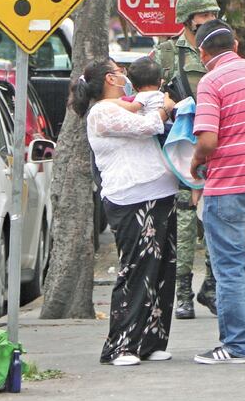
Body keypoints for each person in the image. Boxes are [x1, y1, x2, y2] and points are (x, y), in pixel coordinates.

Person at [71, 59, 178, 367]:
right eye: (120, 71)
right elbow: (146, 126)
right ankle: (121, 345)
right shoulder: (101, 112)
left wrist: (158, 101)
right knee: (136, 269)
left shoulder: (126, 103)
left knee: (162, 270)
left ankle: (151, 340)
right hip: (130, 198)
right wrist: (163, 109)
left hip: (161, 192)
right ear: (110, 78)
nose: (126, 75)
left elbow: (145, 104)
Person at [189, 19, 245, 364]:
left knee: (228, 268)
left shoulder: (211, 82)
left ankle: (236, 346)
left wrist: (196, 160)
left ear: (202, 52)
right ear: (236, 45)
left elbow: (208, 140)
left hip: (229, 185)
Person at [153, 0, 220, 320]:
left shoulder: (220, 45)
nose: (209, 20)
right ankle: (182, 292)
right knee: (183, 218)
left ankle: (211, 286)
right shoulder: (167, 53)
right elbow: (147, 92)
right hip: (181, 144)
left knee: (216, 217)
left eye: (212, 15)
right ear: (188, 19)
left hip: (216, 140)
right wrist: (164, 103)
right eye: (203, 15)